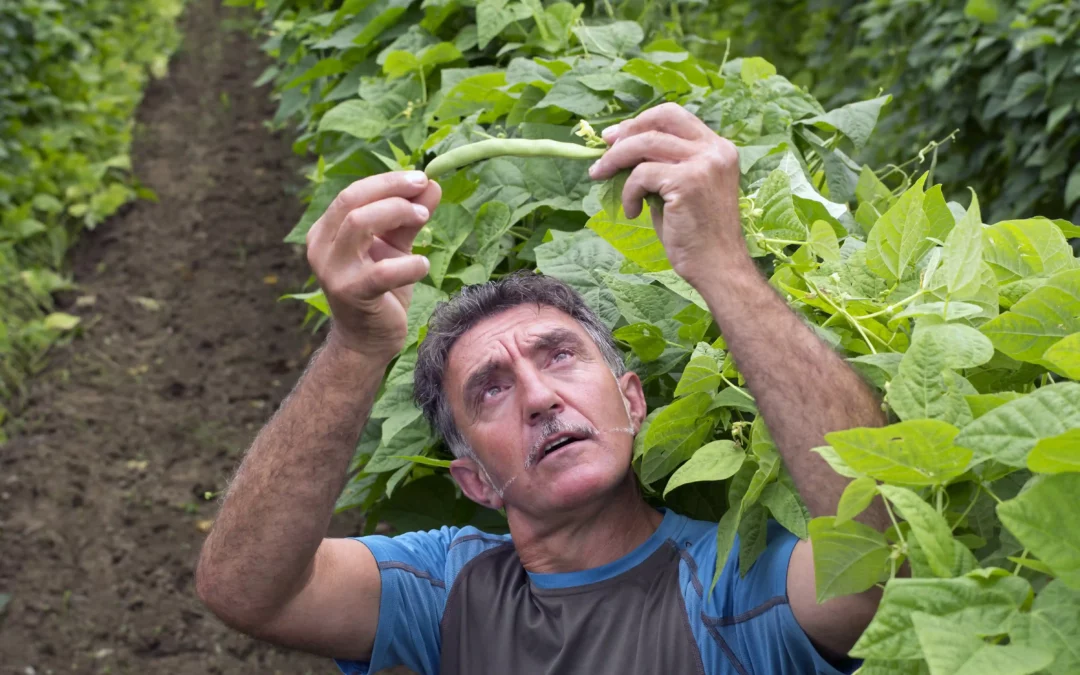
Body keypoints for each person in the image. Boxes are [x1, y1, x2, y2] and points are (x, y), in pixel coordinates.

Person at [195, 103, 890, 675]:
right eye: (490, 390)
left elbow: (880, 568)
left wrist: (723, 264)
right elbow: (247, 590)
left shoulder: (731, 587)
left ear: (634, 400)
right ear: (474, 482)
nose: (538, 395)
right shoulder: (445, 591)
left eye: (560, 355)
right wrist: (355, 343)